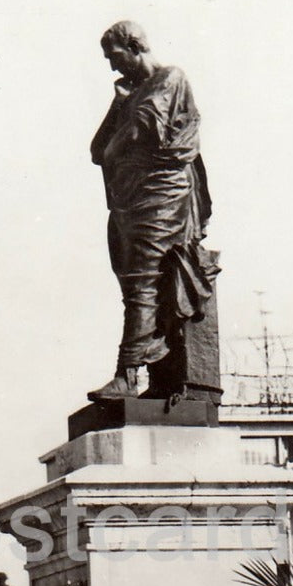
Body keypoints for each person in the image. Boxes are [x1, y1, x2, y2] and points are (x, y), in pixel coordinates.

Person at [89, 21, 217, 402]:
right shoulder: (130, 93)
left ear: (134, 46)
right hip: (131, 200)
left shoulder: (170, 77)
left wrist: (121, 133)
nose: (113, 67)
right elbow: (98, 150)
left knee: (144, 280)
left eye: (114, 57)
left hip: (161, 198)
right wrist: (119, 104)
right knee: (136, 283)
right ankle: (152, 368)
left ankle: (128, 374)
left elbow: (139, 129)